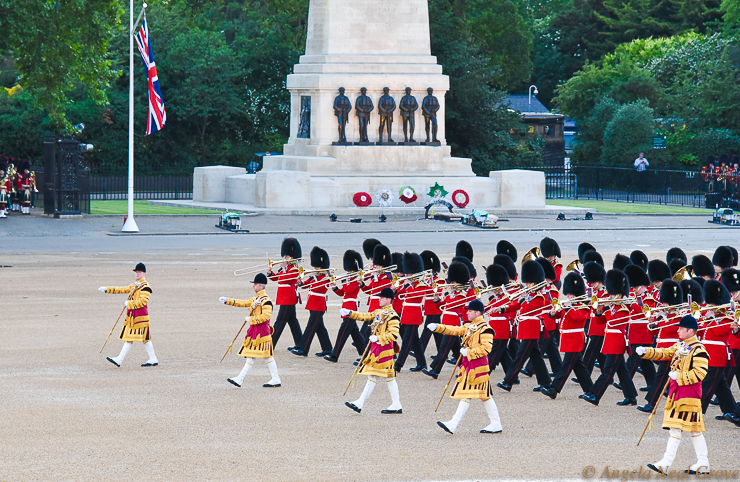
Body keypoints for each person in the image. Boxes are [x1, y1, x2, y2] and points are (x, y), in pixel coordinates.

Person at [636, 316, 710, 475]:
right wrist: (646, 351)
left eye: (681, 329)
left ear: (690, 331)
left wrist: (680, 377)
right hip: (679, 392)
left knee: (676, 429)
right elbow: (664, 352)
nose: (678, 330)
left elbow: (701, 373)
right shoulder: (682, 345)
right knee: (694, 431)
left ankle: (666, 463)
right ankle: (703, 462)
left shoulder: (699, 349)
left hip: (688, 394)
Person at [429, 300, 502, 435]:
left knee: (468, 394)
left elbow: (487, 348)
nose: (467, 312)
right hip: (471, 366)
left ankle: (453, 423)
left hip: (477, 367)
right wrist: (438, 327)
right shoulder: (471, 326)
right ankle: (496, 423)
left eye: (469, 310)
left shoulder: (485, 328)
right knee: (485, 396)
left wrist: (468, 352)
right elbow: (455, 330)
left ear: (477, 312)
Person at [581, 270, 638, 406]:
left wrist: (605, 308)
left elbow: (613, 322)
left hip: (616, 343)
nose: (610, 296)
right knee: (622, 371)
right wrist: (599, 310)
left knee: (607, 372)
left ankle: (595, 394)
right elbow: (601, 322)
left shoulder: (622, 308)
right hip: (610, 342)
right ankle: (631, 397)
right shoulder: (613, 307)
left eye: (612, 294)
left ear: (619, 294)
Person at [342, 287, 402, 414]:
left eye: (382, 297)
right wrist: (350, 313)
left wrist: (378, 338)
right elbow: (366, 316)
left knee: (374, 375)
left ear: (388, 299)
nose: (379, 299)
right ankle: (396, 404)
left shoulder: (392, 316)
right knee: (389, 377)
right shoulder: (379, 312)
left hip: (384, 349)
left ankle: (360, 402)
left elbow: (394, 335)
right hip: (378, 349)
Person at [220, 273, 281, 388]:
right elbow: (243, 303)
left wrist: (251, 319)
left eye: (255, 284)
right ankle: (273, 378)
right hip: (256, 331)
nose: (253, 286)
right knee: (259, 356)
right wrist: (228, 301)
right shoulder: (256, 299)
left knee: (261, 356)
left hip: (261, 332)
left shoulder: (266, 300)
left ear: (261, 286)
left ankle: (241, 378)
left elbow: (266, 316)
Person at [541, 272, 594, 399]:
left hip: (575, 340)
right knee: (579, 367)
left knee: (566, 367)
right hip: (568, 340)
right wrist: (553, 313)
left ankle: (554, 389)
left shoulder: (582, 306)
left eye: (570, 294)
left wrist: (569, 308)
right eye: (568, 294)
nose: (568, 296)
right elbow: (560, 316)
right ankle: (591, 391)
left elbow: (578, 318)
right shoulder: (570, 306)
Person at [99, 262, 158, 367]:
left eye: (139, 272)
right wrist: (107, 289)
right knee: (145, 338)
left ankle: (119, 359)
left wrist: (129, 304)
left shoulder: (145, 287)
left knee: (131, 338)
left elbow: (143, 302)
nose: (137, 274)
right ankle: (153, 358)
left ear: (144, 273)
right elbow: (122, 289)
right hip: (134, 317)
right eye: (136, 272)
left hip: (140, 318)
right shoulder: (135, 285)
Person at [291, 247, 333, 357]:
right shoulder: (314, 276)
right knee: (320, 328)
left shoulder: (325, 277)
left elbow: (320, 288)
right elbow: (305, 285)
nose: (315, 268)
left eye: (317, 266)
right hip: (313, 303)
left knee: (311, 327)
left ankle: (303, 348)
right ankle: (327, 348)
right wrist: (300, 282)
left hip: (319, 304)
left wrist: (314, 278)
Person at [326, 250, 365, 362]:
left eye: (350, 270)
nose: (348, 272)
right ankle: (365, 353)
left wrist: (348, 281)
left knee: (343, 332)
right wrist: (334, 287)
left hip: (352, 307)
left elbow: (351, 290)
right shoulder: (349, 279)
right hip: (346, 306)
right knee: (355, 333)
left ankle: (334, 355)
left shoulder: (357, 280)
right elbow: (343, 293)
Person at [267, 237, 303, 350]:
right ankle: (301, 344)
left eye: (286, 256)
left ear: (291, 257)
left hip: (288, 298)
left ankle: (270, 345)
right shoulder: (287, 269)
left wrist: (283, 268)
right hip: (285, 297)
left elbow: (284, 279)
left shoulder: (294, 269)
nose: (284, 258)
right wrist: (271, 273)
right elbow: (278, 278)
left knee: (280, 322)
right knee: (293, 322)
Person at [394, 252, 427, 372]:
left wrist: (407, 286)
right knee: (415, 341)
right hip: (406, 314)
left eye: (409, 273)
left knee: (407, 340)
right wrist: (396, 288)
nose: (406, 275)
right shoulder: (409, 283)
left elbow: (416, 296)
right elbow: (399, 294)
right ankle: (422, 364)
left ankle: (398, 365)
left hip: (414, 315)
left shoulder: (421, 284)